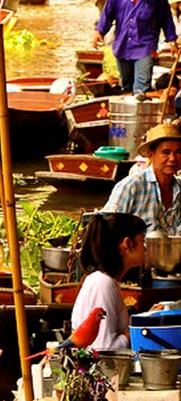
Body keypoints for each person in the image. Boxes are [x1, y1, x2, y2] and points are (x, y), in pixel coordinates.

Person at [72, 213, 147, 350]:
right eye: (142, 241)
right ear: (127, 245)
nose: (145, 248)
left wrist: (147, 318)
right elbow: (105, 349)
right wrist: (141, 329)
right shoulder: (103, 284)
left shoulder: (107, 281)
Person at [103, 123, 181, 235]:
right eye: (165, 152)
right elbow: (104, 228)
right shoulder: (132, 186)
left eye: (178, 152)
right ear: (151, 154)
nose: (173, 158)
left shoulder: (179, 188)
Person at [92, 0, 177, 98]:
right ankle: (127, 110)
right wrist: (99, 32)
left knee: (141, 87)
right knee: (126, 85)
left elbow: (166, 19)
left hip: (145, 47)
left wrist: (172, 40)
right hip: (123, 47)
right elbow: (107, 16)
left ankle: (141, 108)